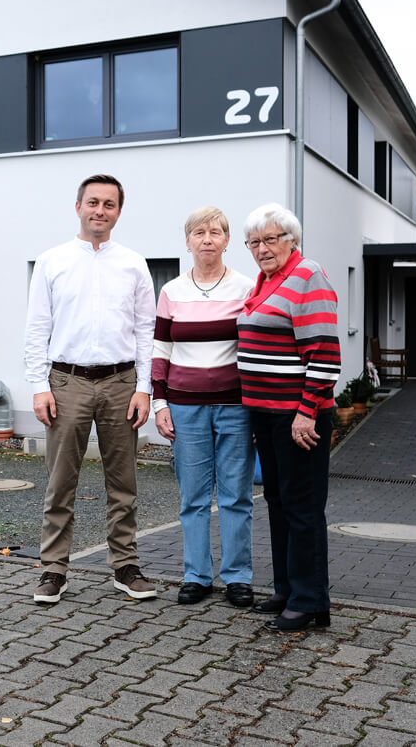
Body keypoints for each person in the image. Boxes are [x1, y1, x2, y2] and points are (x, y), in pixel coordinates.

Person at [24, 173, 157, 604]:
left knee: (123, 482)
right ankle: (54, 570)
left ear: (119, 212)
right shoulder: (52, 261)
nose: (100, 210)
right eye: (93, 202)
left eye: (109, 204)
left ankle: (125, 566)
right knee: (60, 482)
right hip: (67, 382)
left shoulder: (134, 263)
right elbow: (37, 328)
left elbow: (145, 329)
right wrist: (39, 385)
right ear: (78, 206)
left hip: (122, 383)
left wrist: (145, 388)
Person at [236, 203, 340, 631]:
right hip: (268, 416)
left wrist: (306, 413)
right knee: (278, 505)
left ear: (291, 240)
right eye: (255, 242)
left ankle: (311, 601)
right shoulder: (265, 283)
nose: (262, 249)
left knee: (302, 508)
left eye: (271, 239)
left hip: (299, 418)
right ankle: (286, 590)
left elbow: (325, 355)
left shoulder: (307, 276)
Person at [151, 206, 255, 608]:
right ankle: (196, 575)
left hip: (235, 406)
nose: (207, 239)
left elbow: (254, 349)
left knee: (236, 496)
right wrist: (160, 402)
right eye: (199, 232)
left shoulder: (246, 289)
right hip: (184, 407)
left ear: (228, 240)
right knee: (193, 498)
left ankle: (237, 578)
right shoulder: (172, 291)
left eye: (215, 232)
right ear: (188, 241)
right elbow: (161, 350)